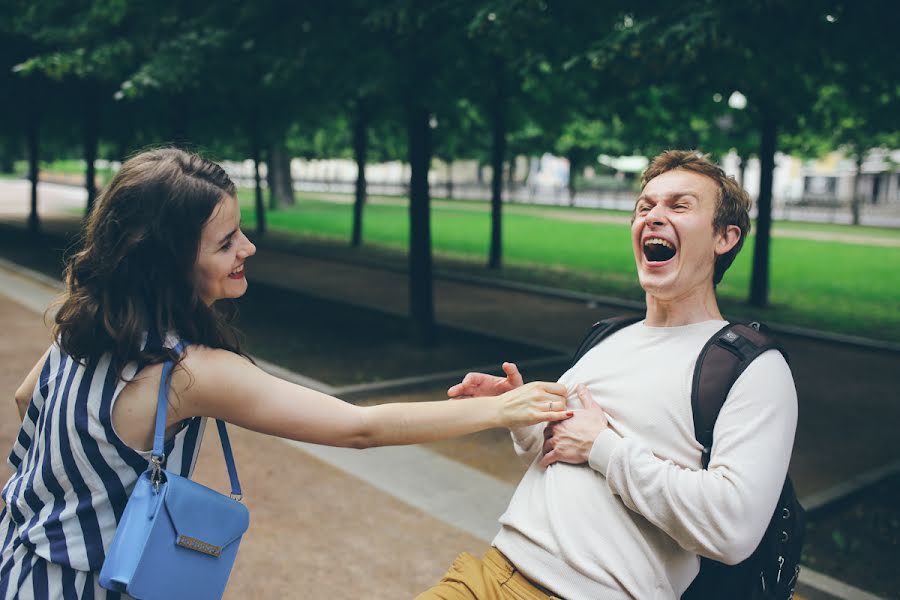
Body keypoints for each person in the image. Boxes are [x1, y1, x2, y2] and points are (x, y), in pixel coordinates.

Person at [0, 148, 573, 599]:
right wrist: (498, 410)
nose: (247, 247)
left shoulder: (83, 326)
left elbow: (28, 401)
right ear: (166, 263)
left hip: (20, 563)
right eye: (226, 242)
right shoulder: (186, 372)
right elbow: (358, 428)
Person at [417, 150, 798, 600]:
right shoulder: (606, 338)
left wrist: (604, 448)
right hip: (492, 575)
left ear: (724, 237)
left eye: (678, 206)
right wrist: (521, 416)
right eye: (645, 206)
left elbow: (732, 530)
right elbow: (559, 455)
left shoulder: (751, 368)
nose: (654, 216)